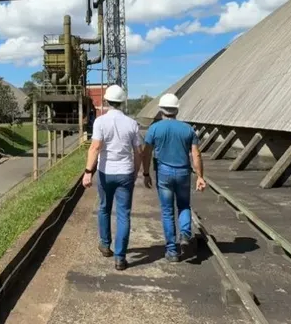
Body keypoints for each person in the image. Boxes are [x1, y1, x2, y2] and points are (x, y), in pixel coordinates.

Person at [81, 84, 142, 271]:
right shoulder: (132, 124)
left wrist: (88, 172)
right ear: (122, 102)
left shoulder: (100, 122)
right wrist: (135, 172)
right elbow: (138, 152)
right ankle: (120, 257)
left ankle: (105, 244)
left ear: (106, 101)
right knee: (124, 214)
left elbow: (95, 148)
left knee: (104, 208)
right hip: (125, 173)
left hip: (106, 172)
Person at [141, 93, 206, 262]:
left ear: (161, 109)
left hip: (164, 173)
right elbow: (196, 155)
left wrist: (146, 173)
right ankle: (185, 233)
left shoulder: (155, 129)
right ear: (177, 109)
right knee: (184, 205)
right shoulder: (187, 129)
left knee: (167, 211)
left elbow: (146, 152)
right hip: (183, 172)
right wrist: (200, 176)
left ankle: (172, 251)